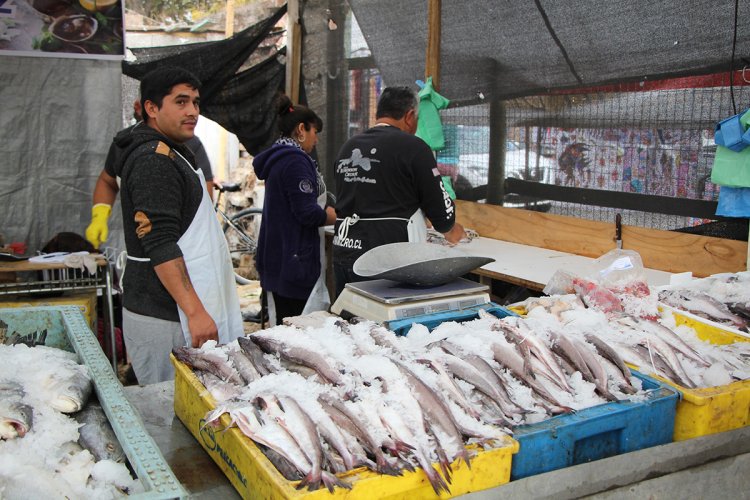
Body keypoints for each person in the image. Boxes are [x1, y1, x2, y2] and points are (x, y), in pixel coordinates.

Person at [109, 66, 243, 384]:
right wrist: (195, 312)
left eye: (195, 103)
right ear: (152, 108)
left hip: (177, 311)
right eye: (181, 102)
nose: (193, 111)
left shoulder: (173, 151)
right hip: (166, 316)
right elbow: (160, 242)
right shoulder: (153, 160)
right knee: (165, 411)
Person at [332, 86, 465, 297]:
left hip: (344, 252)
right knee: (383, 328)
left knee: (347, 325)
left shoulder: (348, 147)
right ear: (410, 115)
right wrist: (452, 228)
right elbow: (442, 216)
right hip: (388, 262)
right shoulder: (414, 148)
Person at [85, 99, 215, 250]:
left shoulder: (189, 145)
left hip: (182, 244)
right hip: (139, 247)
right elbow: (107, 181)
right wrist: (99, 217)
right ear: (140, 107)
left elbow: (206, 191)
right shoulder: (124, 143)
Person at [253, 96, 336, 325]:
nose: (316, 140)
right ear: (301, 129)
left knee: (282, 325)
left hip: (279, 255)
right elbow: (307, 212)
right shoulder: (295, 161)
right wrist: (333, 217)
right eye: (314, 132)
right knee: (294, 331)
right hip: (294, 259)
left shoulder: (279, 158)